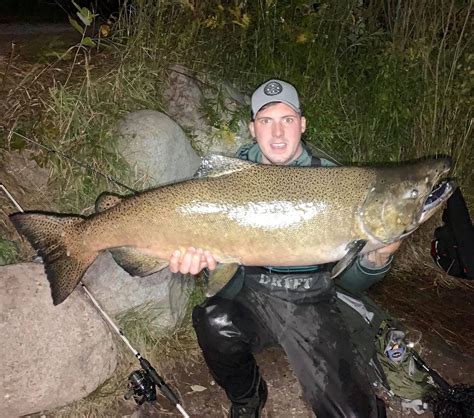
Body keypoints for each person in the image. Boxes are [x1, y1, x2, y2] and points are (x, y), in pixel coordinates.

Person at [169, 79, 401, 417]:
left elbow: (350, 283)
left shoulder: (337, 181)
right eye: (266, 121)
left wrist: (378, 257)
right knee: (213, 320)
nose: (277, 133)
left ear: (302, 125)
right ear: (252, 128)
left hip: (315, 301)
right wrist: (208, 262)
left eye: (287, 120)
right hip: (252, 295)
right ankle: (247, 397)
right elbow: (228, 286)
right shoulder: (225, 182)